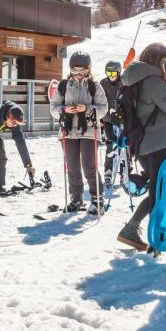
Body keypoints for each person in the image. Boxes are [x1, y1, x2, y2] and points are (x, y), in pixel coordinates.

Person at [116, 44, 166, 251]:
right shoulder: (153, 82)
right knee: (160, 192)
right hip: (158, 143)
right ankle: (153, 238)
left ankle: (133, 229)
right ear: (159, 61)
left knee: (156, 189)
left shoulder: (132, 78)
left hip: (139, 144)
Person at [50, 52, 109, 213]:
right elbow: (53, 107)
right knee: (72, 167)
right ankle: (76, 199)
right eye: (74, 71)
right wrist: (64, 110)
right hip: (68, 131)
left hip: (89, 130)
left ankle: (97, 200)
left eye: (81, 71)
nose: (78, 74)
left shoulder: (95, 86)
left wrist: (87, 109)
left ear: (88, 70)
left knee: (88, 166)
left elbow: (103, 108)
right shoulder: (63, 86)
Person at [100, 60, 123, 186]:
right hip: (108, 119)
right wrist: (99, 117)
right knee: (110, 145)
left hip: (121, 120)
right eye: (108, 73)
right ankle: (108, 172)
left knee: (123, 147)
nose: (111, 76)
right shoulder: (103, 83)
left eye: (113, 74)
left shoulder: (124, 83)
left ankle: (124, 172)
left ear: (119, 73)